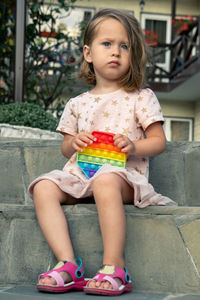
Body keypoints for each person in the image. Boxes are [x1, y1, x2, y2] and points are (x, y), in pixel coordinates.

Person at [28, 8, 177, 296]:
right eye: (107, 44)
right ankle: (68, 265)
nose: (116, 52)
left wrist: (134, 145)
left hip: (121, 176)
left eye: (125, 46)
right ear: (88, 53)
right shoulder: (77, 103)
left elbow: (159, 141)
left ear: (132, 56)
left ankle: (114, 266)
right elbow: (65, 148)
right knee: (43, 187)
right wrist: (74, 143)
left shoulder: (140, 97)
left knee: (105, 181)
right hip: (81, 173)